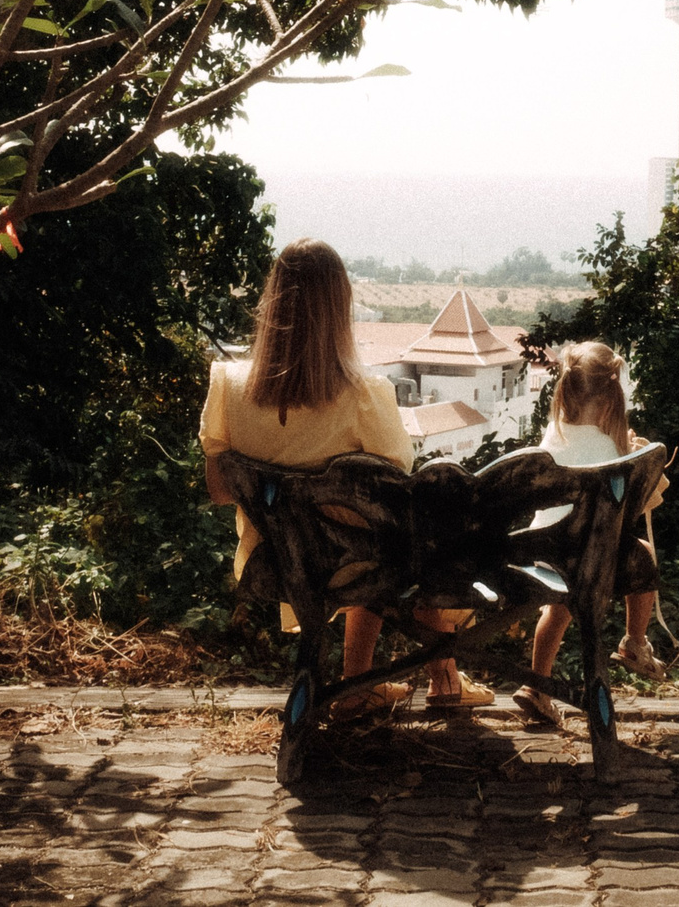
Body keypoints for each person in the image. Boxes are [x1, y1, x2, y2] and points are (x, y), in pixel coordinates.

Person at [200, 239, 493, 713]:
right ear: (341, 307)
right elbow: (399, 489)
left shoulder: (228, 386)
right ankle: (394, 681)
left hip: (274, 561)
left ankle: (379, 687)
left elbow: (218, 489)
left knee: (366, 538)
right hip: (356, 563)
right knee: (388, 538)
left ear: (272, 301)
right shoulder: (366, 393)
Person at [514, 340, 665, 726]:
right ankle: (634, 641)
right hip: (587, 558)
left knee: (557, 609)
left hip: (545, 554)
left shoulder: (554, 434)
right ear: (613, 398)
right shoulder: (611, 449)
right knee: (644, 556)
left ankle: (536, 685)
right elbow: (636, 506)